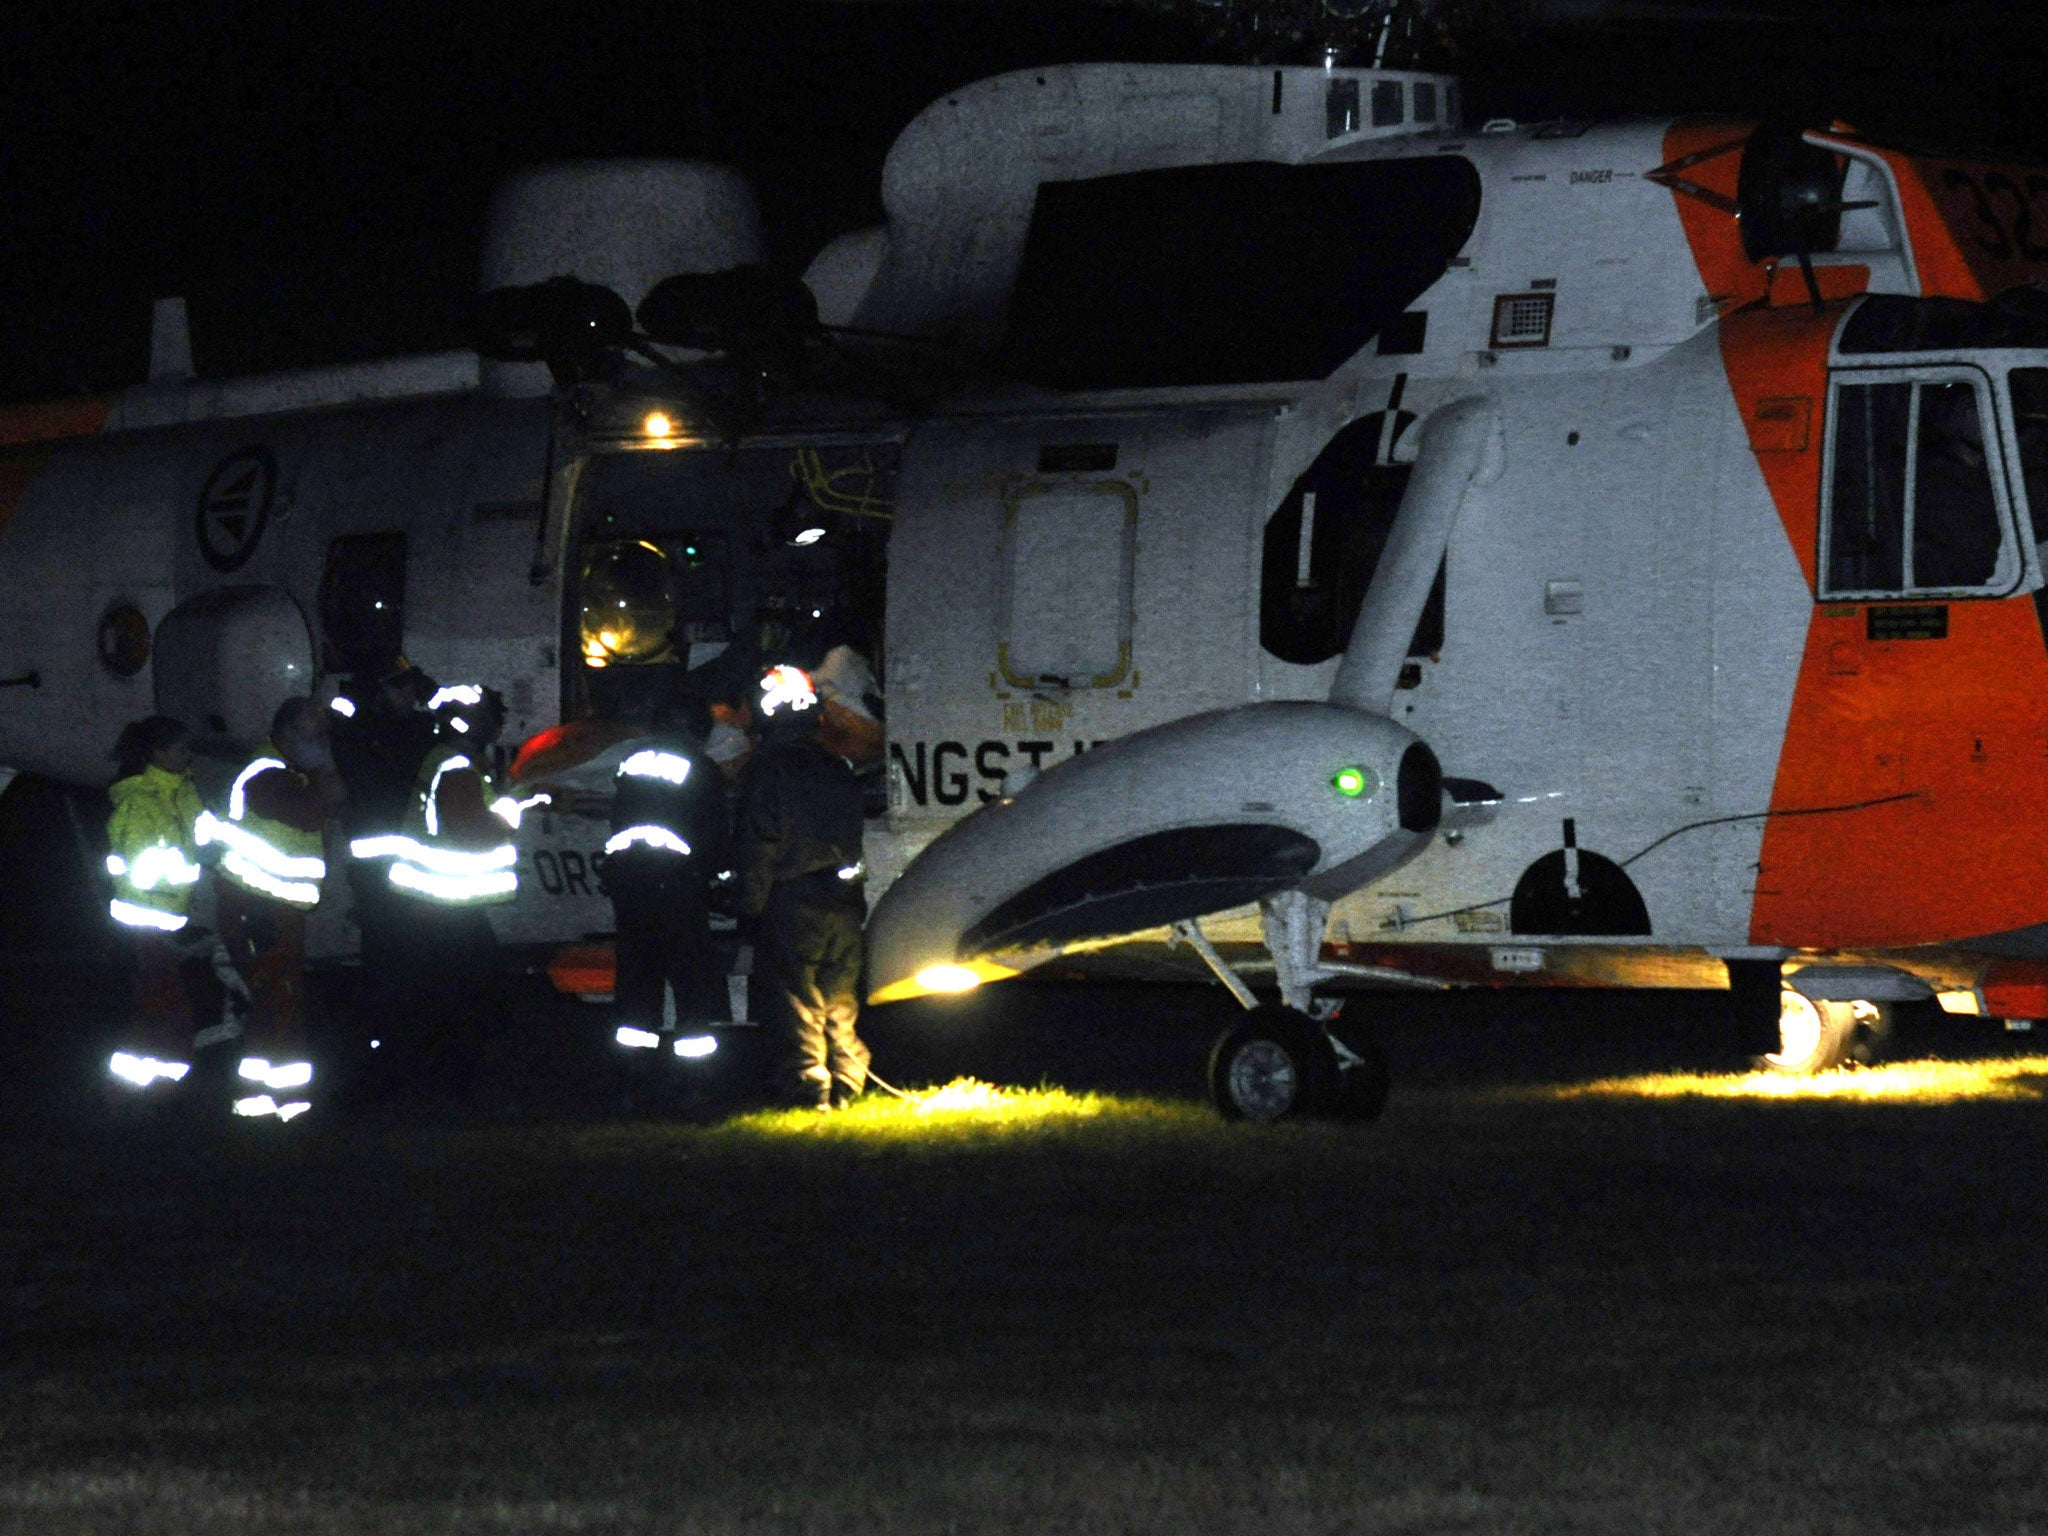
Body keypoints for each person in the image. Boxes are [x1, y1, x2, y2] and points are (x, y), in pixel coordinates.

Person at [351, 683, 524, 1096]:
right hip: (447, 907)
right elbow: (471, 833)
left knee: (437, 997)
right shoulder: (458, 769)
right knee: (469, 997)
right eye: (493, 721)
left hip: (433, 905)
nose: (499, 730)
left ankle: (426, 1080)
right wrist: (511, 810)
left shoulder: (443, 759)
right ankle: (457, 1084)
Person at [198, 697, 342, 1120]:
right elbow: (315, 811)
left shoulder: (282, 773)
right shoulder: (268, 775)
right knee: (277, 1002)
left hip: (271, 909)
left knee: (275, 1005)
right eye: (313, 731)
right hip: (260, 910)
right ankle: (276, 1106)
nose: (319, 739)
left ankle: (266, 1102)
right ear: (288, 731)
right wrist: (321, 774)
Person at [735, 664, 870, 1110]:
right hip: (844, 902)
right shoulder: (837, 769)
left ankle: (809, 1092)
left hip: (793, 902)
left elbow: (761, 840)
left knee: (797, 1001)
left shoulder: (767, 771)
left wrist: (749, 905)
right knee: (839, 1000)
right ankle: (850, 1085)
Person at [103, 716, 244, 1098]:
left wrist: (214, 848)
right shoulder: (140, 799)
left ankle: (151, 1079)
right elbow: (140, 864)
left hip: (171, 912)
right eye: (179, 748)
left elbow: (201, 830)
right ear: (157, 753)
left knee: (158, 994)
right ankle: (156, 1078)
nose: (187, 755)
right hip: (147, 914)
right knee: (164, 995)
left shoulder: (181, 790)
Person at [603, 696, 728, 1071]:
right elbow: (713, 832)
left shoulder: (633, 763)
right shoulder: (701, 768)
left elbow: (620, 816)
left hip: (629, 885)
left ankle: (634, 1080)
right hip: (677, 888)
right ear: (697, 728)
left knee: (638, 981)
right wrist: (722, 879)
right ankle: (693, 1083)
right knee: (691, 983)